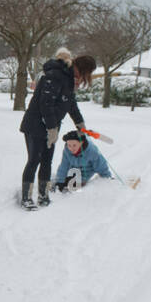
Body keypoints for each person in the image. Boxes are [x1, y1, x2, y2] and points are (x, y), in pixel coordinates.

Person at [18, 50, 95, 210]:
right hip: (35, 124)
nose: (83, 79)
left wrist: (80, 124)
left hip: (52, 125)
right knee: (34, 160)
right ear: (79, 69)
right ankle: (26, 197)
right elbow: (45, 104)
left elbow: (71, 104)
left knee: (47, 160)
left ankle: (43, 195)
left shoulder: (68, 80)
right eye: (86, 73)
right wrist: (52, 127)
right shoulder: (55, 76)